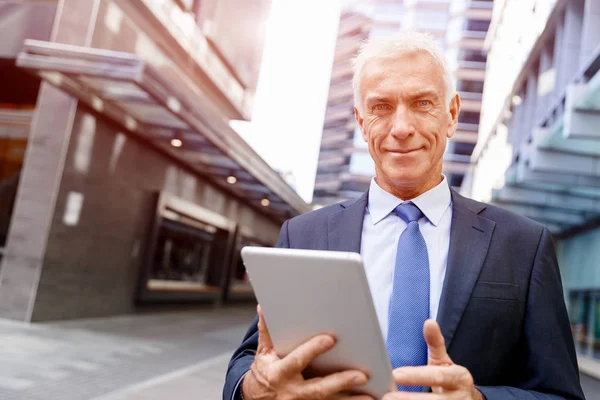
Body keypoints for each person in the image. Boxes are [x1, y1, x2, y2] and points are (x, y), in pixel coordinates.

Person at [223, 31, 585, 400]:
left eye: (422, 102)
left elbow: (561, 394)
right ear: (361, 122)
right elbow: (253, 360)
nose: (401, 128)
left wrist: (478, 399)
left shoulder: (524, 245)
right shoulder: (303, 235)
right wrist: (254, 387)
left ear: (452, 114)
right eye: (380, 107)